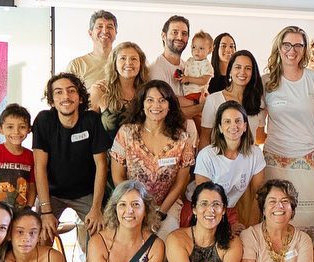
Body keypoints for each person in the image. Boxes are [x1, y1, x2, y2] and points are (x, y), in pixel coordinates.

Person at [32, 73, 110, 253]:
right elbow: (40, 168)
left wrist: (96, 208)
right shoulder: (44, 121)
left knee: (101, 236)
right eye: (58, 92)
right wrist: (45, 212)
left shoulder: (91, 120)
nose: (65, 96)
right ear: (52, 100)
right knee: (39, 235)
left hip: (85, 194)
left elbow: (101, 166)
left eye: (71, 91)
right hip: (52, 194)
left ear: (80, 97)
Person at [111, 80, 197, 239]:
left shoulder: (182, 138)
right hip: (131, 203)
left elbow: (181, 182)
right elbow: (118, 177)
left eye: (162, 100)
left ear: (170, 105)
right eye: (150, 100)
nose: (156, 105)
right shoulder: (126, 133)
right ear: (142, 104)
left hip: (167, 206)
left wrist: (160, 213)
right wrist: (136, 205)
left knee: (165, 243)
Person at [261, 26, 314, 231]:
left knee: (311, 222)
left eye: (298, 45)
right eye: (287, 44)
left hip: (308, 158)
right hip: (275, 158)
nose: (292, 50)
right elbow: (256, 122)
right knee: (276, 219)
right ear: (279, 47)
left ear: (305, 49)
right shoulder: (266, 81)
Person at [188, 100, 265, 230]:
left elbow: (259, 194)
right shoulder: (207, 155)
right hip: (201, 211)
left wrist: (253, 230)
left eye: (238, 121)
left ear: (245, 126)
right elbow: (204, 200)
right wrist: (227, 228)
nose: (233, 126)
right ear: (220, 128)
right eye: (227, 121)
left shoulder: (255, 153)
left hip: (228, 210)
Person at [199, 50, 266, 150]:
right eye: (238, 67)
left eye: (248, 68)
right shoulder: (213, 100)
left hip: (248, 162)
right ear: (230, 70)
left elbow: (259, 138)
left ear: (253, 73)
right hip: (219, 162)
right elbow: (205, 138)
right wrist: (201, 164)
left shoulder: (258, 102)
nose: (242, 72)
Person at [0, 103, 36, 208]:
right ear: (0, 130)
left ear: (29, 129)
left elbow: (32, 187)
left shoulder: (31, 156)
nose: (16, 131)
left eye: (22, 127)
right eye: (10, 127)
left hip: (21, 215)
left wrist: (28, 209)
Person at [88, 41, 148, 139]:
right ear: (114, 63)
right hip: (108, 153)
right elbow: (90, 129)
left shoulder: (147, 91)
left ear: (141, 64)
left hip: (142, 153)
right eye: (122, 58)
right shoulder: (100, 90)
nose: (128, 63)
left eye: (133, 59)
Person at [148, 14, 199, 118]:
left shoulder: (187, 66)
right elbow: (167, 110)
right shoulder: (156, 69)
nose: (180, 37)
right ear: (163, 36)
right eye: (175, 32)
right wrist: (198, 104)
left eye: (184, 33)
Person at [65, 9, 118, 89]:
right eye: (100, 26)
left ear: (115, 33)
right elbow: (69, 96)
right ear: (90, 33)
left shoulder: (124, 63)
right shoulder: (77, 65)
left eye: (110, 27)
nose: (105, 31)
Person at [180, 30, 214, 103]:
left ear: (210, 50)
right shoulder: (189, 60)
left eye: (201, 48)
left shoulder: (206, 64)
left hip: (198, 94)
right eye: (194, 47)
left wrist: (188, 79)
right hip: (187, 94)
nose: (196, 51)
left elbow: (204, 80)